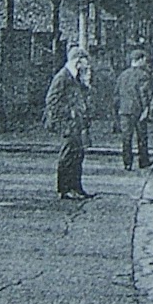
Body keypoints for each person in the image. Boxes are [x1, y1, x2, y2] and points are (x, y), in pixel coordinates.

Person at [45, 45, 95, 200]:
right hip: (67, 123)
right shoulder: (63, 77)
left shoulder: (74, 76)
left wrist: (86, 84)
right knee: (68, 154)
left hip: (75, 122)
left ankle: (76, 187)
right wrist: (70, 111)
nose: (87, 65)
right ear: (77, 61)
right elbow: (51, 101)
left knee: (78, 154)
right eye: (85, 61)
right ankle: (65, 188)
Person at [115, 48, 153, 170]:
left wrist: (117, 109)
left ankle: (127, 163)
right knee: (142, 137)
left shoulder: (122, 75)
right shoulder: (143, 75)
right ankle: (143, 161)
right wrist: (146, 109)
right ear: (140, 60)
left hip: (124, 110)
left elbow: (116, 94)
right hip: (137, 110)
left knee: (126, 138)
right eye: (144, 60)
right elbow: (144, 94)